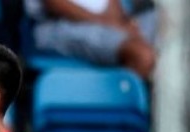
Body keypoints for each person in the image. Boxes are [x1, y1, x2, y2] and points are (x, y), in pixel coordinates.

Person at [27, 0, 157, 81]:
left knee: (151, 27)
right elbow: (54, 4)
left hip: (102, 24)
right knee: (142, 55)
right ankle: (112, 111)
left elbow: (111, 6)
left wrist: (122, 25)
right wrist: (110, 24)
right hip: (58, 25)